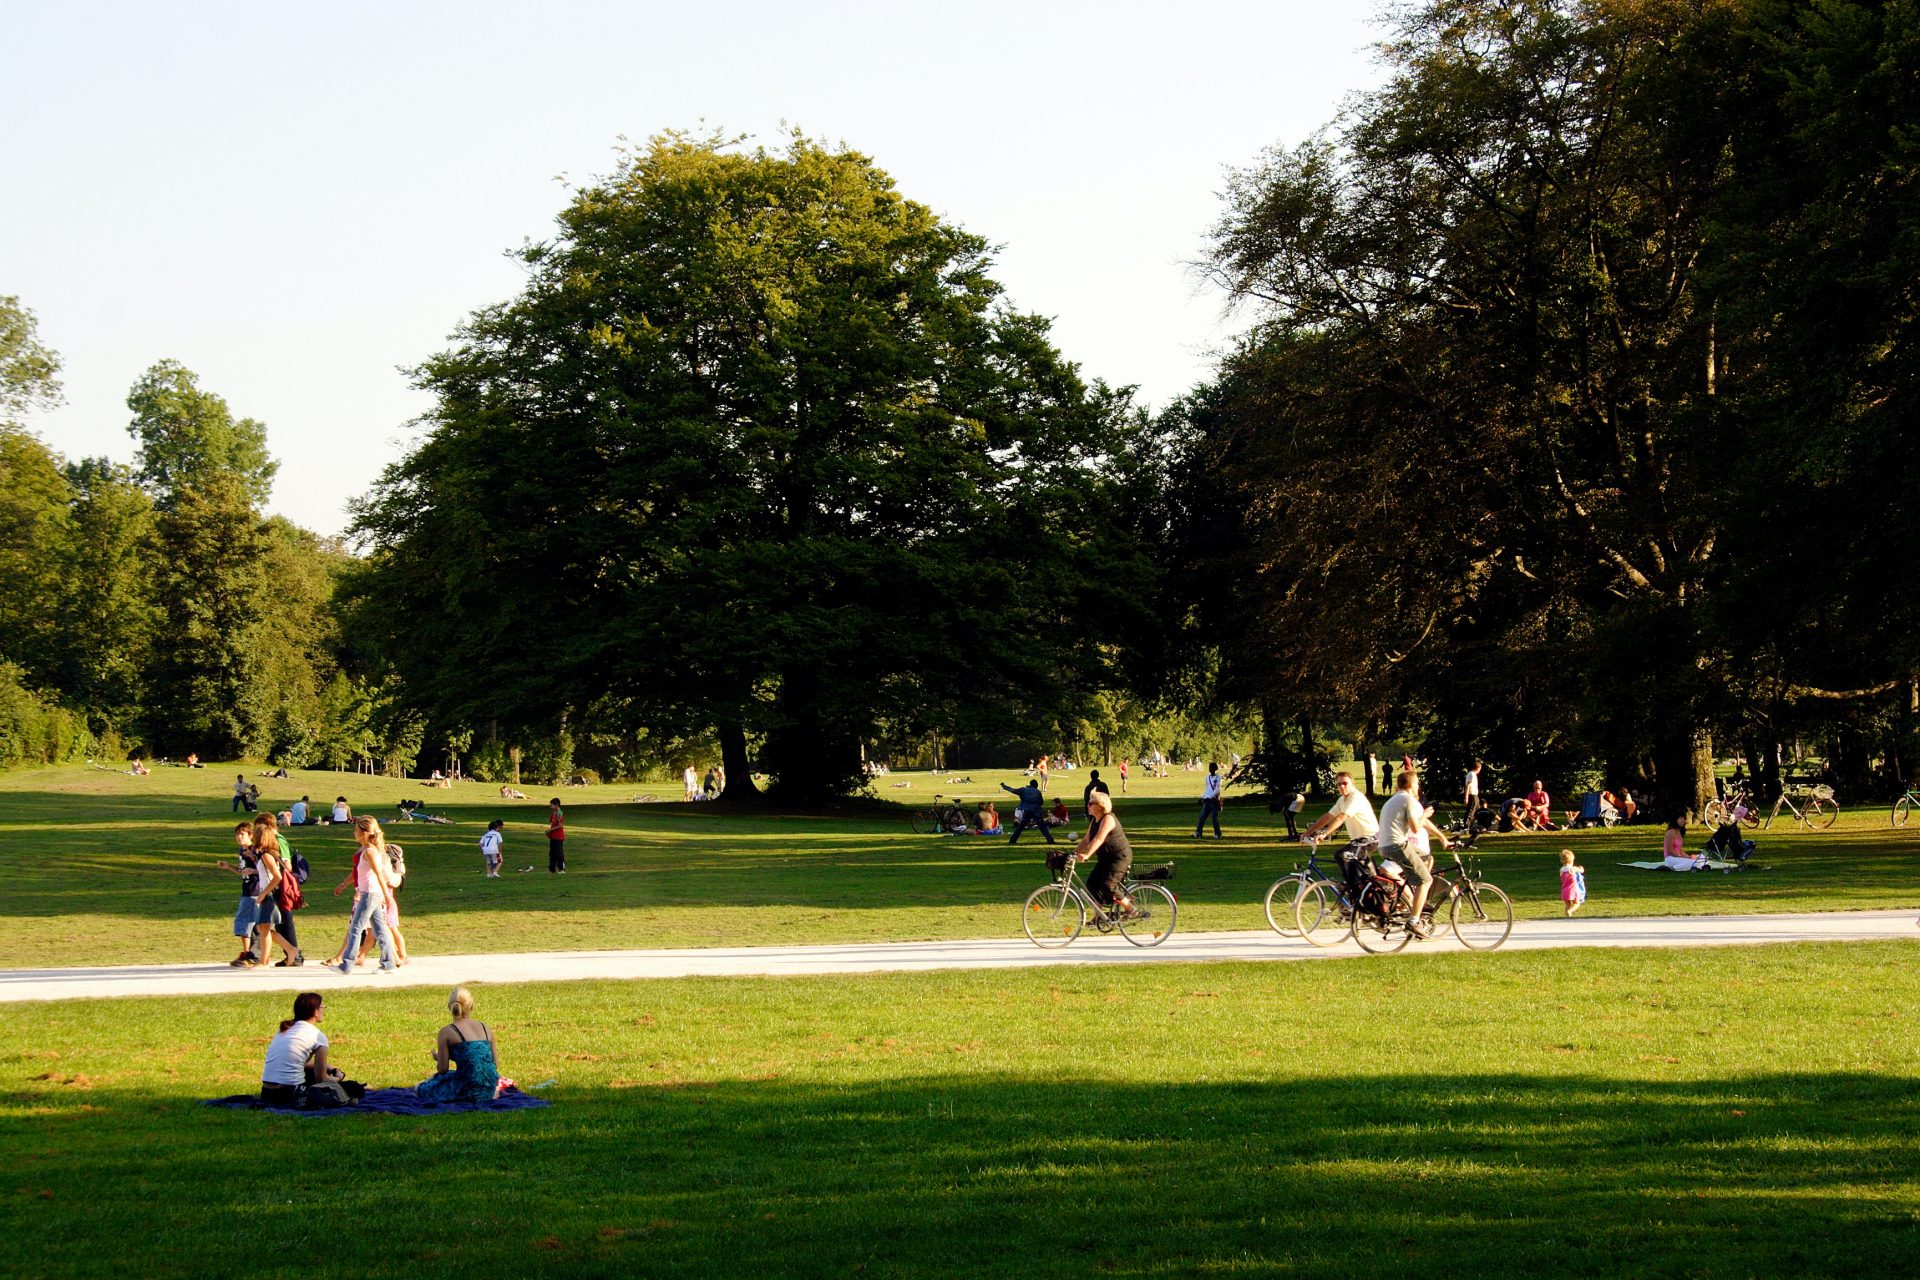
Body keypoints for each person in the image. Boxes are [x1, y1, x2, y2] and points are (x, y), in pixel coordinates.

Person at [1377, 769, 1451, 938]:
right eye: (1417, 783)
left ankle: (1413, 892)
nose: (1419, 787)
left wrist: (1442, 838)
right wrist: (1425, 814)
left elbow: (1423, 823)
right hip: (1397, 845)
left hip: (1386, 845)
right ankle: (1413, 921)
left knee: (1426, 856)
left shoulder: (1395, 799)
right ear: (1411, 784)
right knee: (1426, 880)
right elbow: (1416, 827)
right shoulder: (1409, 799)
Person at [331, 816, 398, 973]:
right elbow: (358, 873)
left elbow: (379, 874)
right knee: (379, 929)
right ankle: (388, 964)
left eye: (356, 830)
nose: (354, 833)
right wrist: (344, 884)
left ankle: (346, 964)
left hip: (371, 895)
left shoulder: (370, 852)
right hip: (370, 893)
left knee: (356, 927)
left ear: (365, 833)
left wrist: (387, 896)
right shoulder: (366, 850)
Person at [415, 987, 501, 1105]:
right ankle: (488, 1094)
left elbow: (443, 1069)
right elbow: (494, 1064)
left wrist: (438, 1058)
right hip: (489, 1087)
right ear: (471, 1006)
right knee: (456, 1076)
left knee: (421, 1087)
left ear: (449, 1006)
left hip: (466, 1090)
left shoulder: (446, 1032)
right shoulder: (485, 1027)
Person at [260, 992, 341, 1106]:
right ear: (315, 1011)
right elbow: (321, 1079)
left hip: (267, 1094)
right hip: (290, 1094)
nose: (324, 1010)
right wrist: (338, 1079)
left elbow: (299, 1062)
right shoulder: (318, 1036)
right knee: (343, 1092)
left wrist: (331, 1068)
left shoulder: (284, 1030)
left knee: (310, 1073)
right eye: (323, 1007)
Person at [249, 815, 303, 967]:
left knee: (263, 927)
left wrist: (263, 894)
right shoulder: (267, 854)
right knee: (262, 927)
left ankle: (265, 960)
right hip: (268, 894)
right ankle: (290, 950)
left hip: (269, 895)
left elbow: (277, 877)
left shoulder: (266, 855)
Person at [1074, 790, 1134, 918]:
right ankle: (1098, 916)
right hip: (1105, 858)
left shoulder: (1108, 819)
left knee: (1108, 886)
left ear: (1101, 806)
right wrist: (1072, 854)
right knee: (1092, 884)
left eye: (1091, 803)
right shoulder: (1095, 820)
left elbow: (1099, 838)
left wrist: (1087, 855)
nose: (1087, 805)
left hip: (1119, 857)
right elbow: (1086, 839)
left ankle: (1131, 909)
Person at [219, 822, 264, 966]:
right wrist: (228, 867)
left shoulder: (255, 850)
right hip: (246, 888)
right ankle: (254, 953)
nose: (239, 837)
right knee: (251, 923)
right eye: (237, 834)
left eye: (242, 834)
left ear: (250, 835)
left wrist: (254, 866)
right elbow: (242, 871)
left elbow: (266, 869)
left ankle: (247, 954)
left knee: (244, 921)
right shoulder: (241, 851)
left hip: (254, 890)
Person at [1299, 772, 1379, 850]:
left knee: (1342, 856)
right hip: (1358, 840)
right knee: (1346, 858)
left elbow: (1341, 818)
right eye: (1339, 784)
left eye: (1345, 783)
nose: (1342, 786)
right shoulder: (1342, 800)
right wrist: (1309, 832)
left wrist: (1324, 834)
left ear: (1352, 783)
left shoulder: (1355, 797)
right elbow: (1328, 816)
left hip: (1370, 838)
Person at [1001, 777, 1053, 845]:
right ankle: (1050, 840)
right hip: (1036, 811)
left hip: (1027, 810)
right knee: (1042, 826)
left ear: (1030, 784)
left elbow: (1013, 790)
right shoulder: (1037, 792)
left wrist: (1004, 786)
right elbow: (1041, 802)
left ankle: (1012, 840)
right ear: (1036, 786)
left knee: (1021, 826)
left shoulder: (1023, 790)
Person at [1193, 761, 1224, 838]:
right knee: (1202, 817)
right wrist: (1203, 797)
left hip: (1213, 801)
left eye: (1211, 767)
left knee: (1214, 818)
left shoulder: (1218, 778)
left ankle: (1217, 834)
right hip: (1206, 800)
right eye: (1209, 767)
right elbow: (1207, 788)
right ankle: (1198, 833)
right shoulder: (1207, 777)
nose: (1210, 769)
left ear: (1215, 768)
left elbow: (1217, 789)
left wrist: (1210, 797)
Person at [1560, 849, 1587, 916]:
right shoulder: (1572, 869)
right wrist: (1580, 868)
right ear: (1572, 860)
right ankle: (1570, 911)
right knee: (1577, 903)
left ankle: (1567, 916)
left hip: (1565, 889)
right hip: (1573, 889)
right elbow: (1581, 870)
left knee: (1567, 904)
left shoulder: (1561, 870)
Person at [546, 799, 566, 873]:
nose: (551, 807)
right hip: (553, 836)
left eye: (552, 805)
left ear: (557, 805)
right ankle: (552, 869)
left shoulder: (559, 813)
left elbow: (560, 825)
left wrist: (550, 830)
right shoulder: (554, 813)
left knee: (559, 853)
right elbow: (551, 822)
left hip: (558, 836)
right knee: (552, 853)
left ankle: (561, 869)